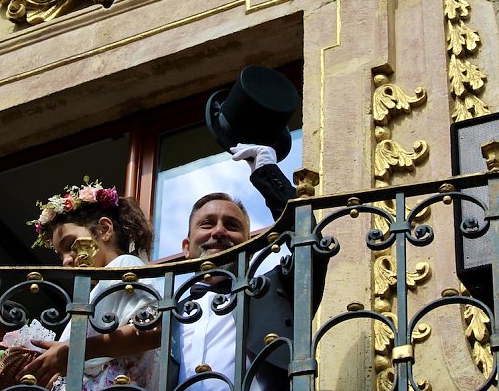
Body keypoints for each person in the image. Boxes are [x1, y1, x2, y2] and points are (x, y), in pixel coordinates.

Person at [172, 144, 329, 391]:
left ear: (251, 248)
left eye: (232, 226)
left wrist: (266, 173)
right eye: (207, 224)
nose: (219, 231)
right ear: (186, 247)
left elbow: (312, 248)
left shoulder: (274, 291)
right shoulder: (168, 312)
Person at [21, 180, 160, 389]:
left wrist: (75, 351)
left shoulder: (126, 266)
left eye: (71, 245)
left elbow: (152, 329)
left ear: (104, 229)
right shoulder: (95, 293)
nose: (67, 260)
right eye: (61, 256)